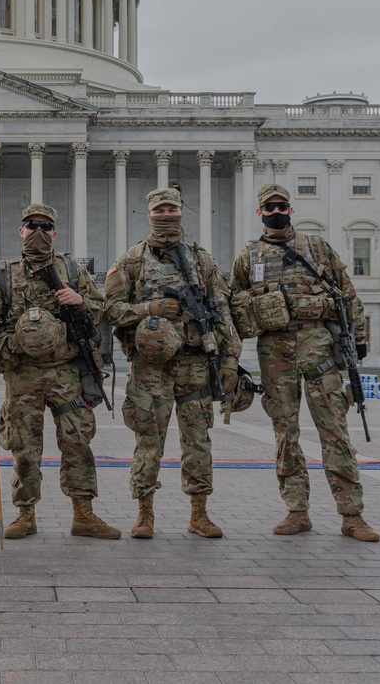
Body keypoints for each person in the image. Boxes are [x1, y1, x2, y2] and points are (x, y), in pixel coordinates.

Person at [228, 183, 378, 541]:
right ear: (259, 212)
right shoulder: (248, 257)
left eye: (282, 206)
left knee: (335, 431)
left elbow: (347, 291)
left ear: (290, 210)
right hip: (274, 352)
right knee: (285, 433)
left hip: (318, 346)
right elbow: (232, 305)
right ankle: (296, 511)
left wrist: (358, 339)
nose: (276, 211)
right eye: (269, 207)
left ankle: (352, 515)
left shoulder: (317, 247)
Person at [0, 203, 121, 541]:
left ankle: (84, 514)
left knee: (77, 442)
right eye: (31, 225)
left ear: (55, 232)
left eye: (45, 226)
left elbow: (101, 309)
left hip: (66, 371)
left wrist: (79, 301)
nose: (38, 231)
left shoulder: (72, 270)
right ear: (20, 231)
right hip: (22, 374)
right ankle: (25, 515)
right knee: (23, 446)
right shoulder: (3, 275)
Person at [104, 187, 240, 540]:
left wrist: (229, 359)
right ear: (149, 213)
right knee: (148, 441)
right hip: (151, 369)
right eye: (160, 209)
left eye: (173, 208)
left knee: (198, 441)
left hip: (196, 364)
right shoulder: (130, 261)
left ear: (182, 212)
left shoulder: (202, 262)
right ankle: (145, 513)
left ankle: (199, 513)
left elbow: (222, 310)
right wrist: (148, 309)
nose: (167, 214)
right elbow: (110, 310)